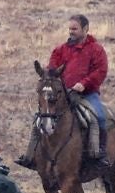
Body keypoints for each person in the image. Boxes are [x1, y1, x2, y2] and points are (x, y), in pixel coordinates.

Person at [35, 14, 109, 162]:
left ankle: (99, 154)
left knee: (99, 118)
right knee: (39, 118)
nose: (71, 32)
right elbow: (53, 70)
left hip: (87, 94)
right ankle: (32, 155)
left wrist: (84, 84)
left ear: (85, 29)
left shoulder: (96, 50)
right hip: (62, 94)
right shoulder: (60, 50)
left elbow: (101, 71)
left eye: (74, 29)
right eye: (70, 29)